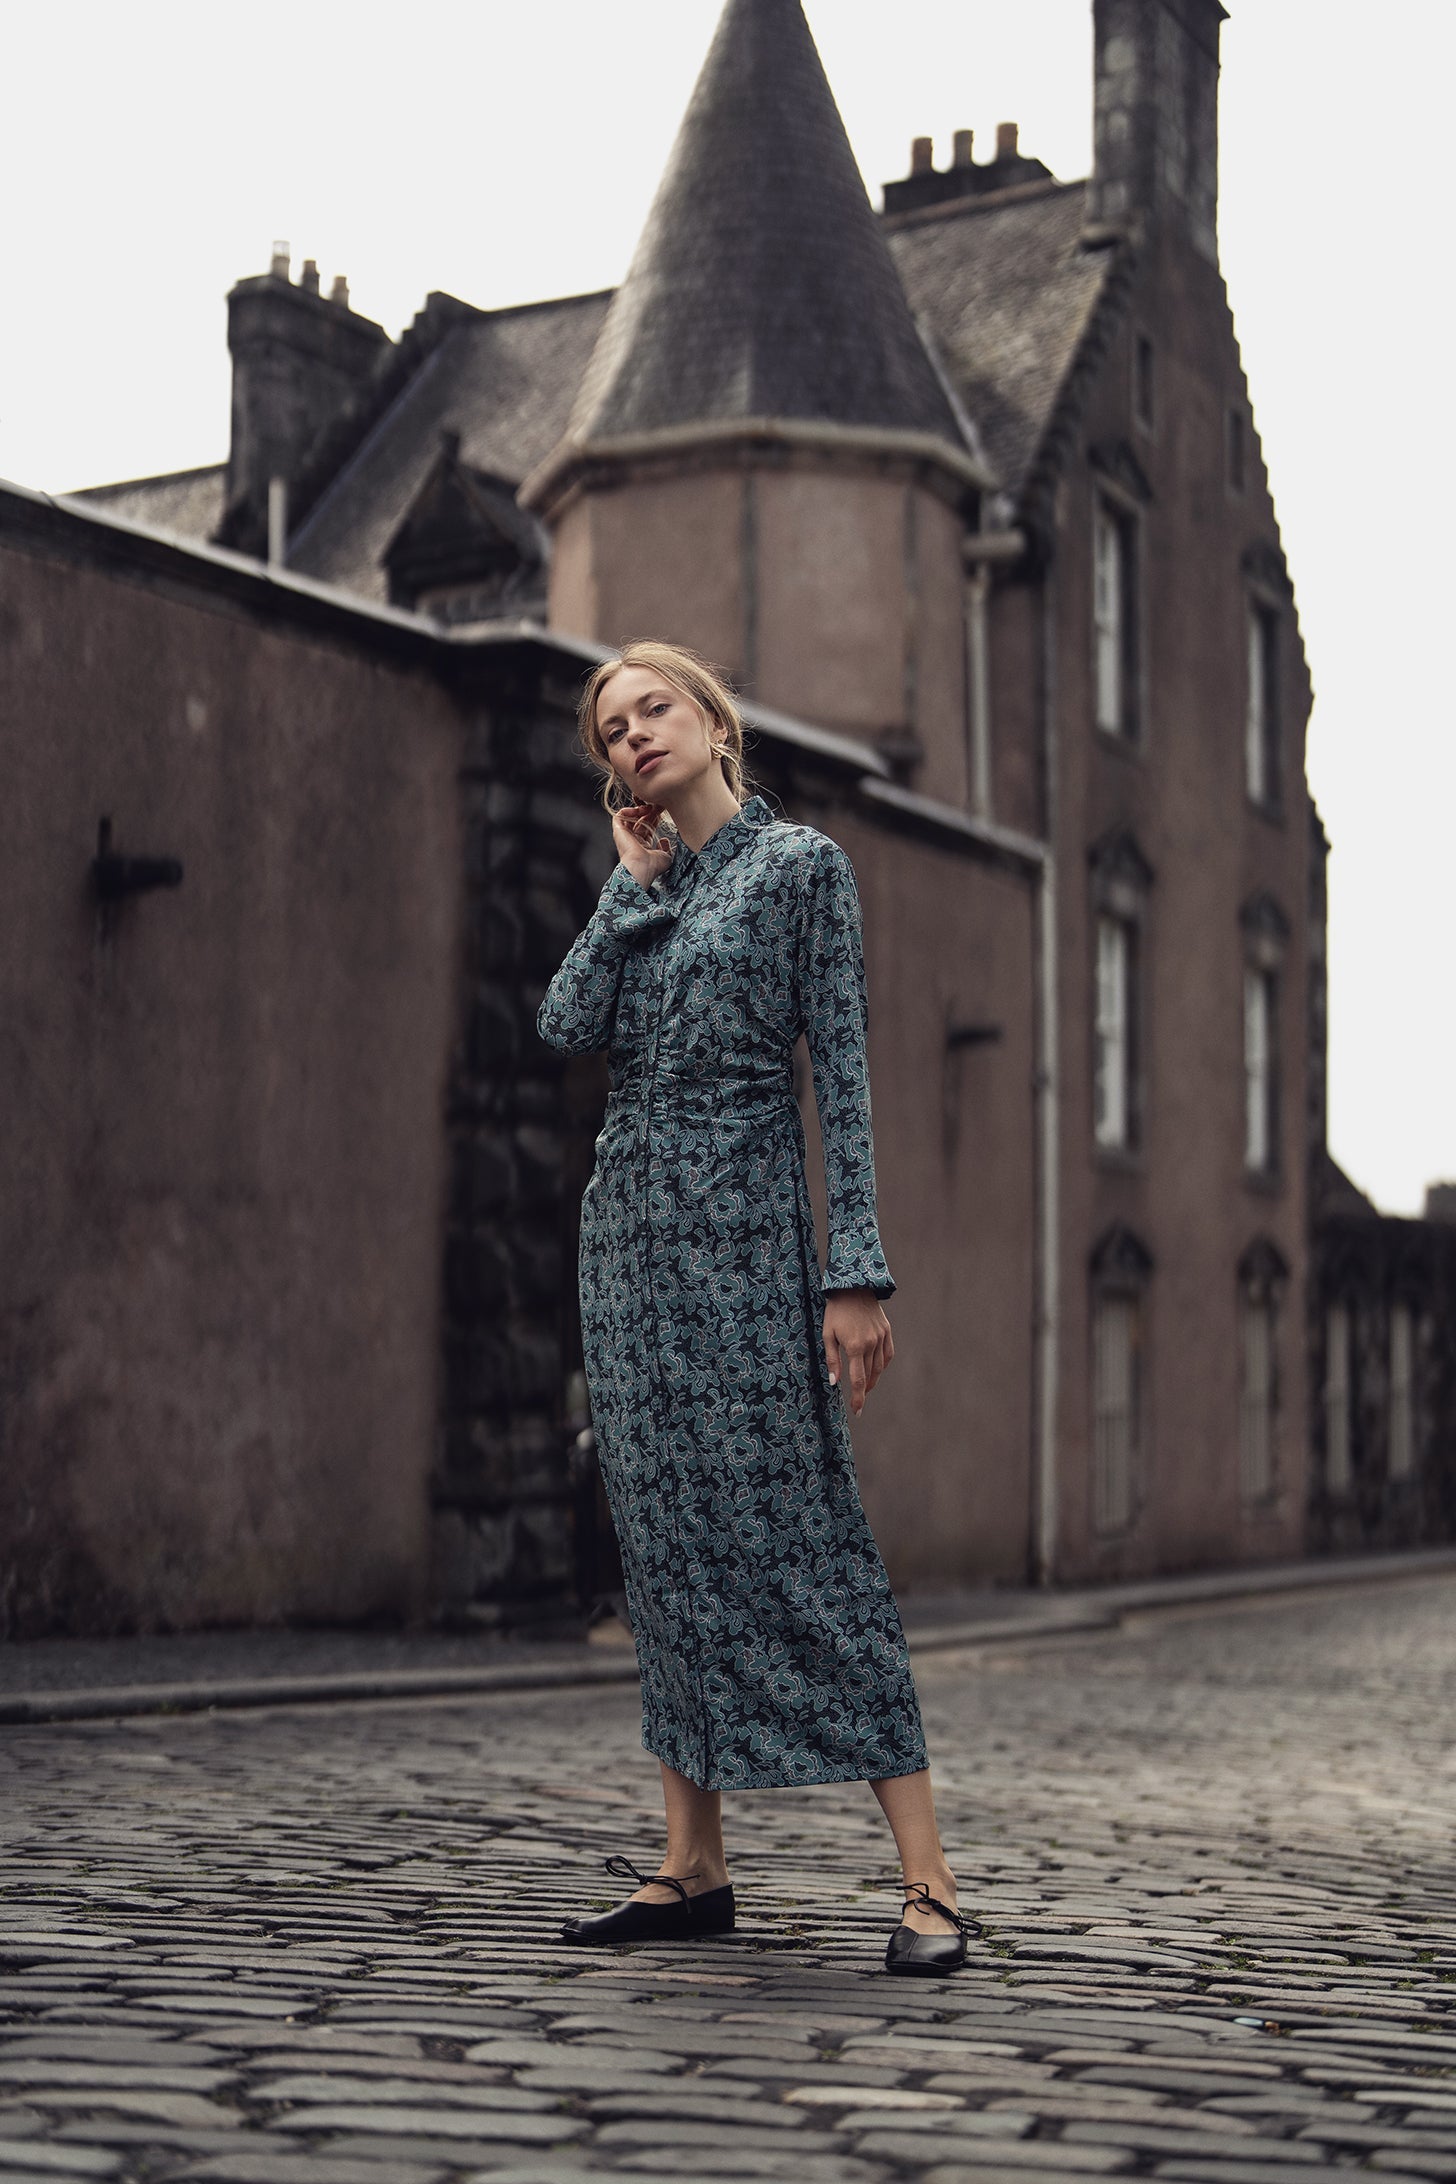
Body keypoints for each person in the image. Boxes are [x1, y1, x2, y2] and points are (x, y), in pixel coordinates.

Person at [536, 640, 975, 1976]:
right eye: (611, 729)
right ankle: (692, 1866)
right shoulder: (647, 891)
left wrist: (857, 1273)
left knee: (805, 1534)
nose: (632, 738)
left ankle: (930, 1883)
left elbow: (840, 1077)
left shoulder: (802, 871)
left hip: (749, 1251)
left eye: (653, 708)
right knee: (661, 1545)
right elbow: (564, 1025)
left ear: (717, 723)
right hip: (628, 1256)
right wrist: (628, 891)